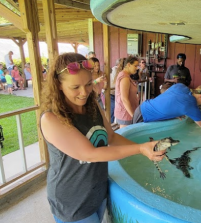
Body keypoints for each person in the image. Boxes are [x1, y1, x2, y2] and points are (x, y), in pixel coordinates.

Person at [40, 53, 164, 223]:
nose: (84, 92)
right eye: (75, 87)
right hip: (72, 200)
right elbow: (89, 154)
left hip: (96, 189)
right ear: (58, 85)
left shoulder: (91, 105)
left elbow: (111, 137)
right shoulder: (51, 118)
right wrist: (140, 149)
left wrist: (144, 147)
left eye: (88, 84)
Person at [132, 84, 201, 133]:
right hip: (143, 115)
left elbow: (168, 97)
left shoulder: (181, 86)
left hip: (143, 106)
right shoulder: (191, 105)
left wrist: (174, 113)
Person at [115, 56, 140, 128]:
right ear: (128, 65)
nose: (137, 68)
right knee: (125, 136)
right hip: (125, 114)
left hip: (126, 112)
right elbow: (124, 99)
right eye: (135, 66)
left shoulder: (126, 76)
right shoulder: (124, 78)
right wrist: (133, 115)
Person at [104, 58, 125, 123]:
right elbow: (113, 83)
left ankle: (112, 125)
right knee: (112, 109)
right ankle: (110, 125)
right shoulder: (115, 70)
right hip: (110, 92)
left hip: (115, 93)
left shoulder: (120, 72)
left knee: (114, 109)